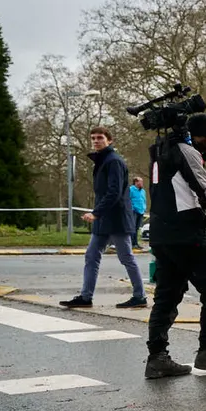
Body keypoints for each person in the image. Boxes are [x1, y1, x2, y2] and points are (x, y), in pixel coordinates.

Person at [143, 113, 206, 378]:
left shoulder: (160, 151)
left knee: (166, 296)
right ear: (200, 135)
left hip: (161, 232)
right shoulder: (186, 152)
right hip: (185, 234)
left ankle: (157, 358)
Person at [60, 127, 146, 310]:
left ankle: (140, 296)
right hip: (104, 220)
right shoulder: (103, 160)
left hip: (116, 219)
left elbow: (114, 192)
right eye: (93, 138)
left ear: (109, 141)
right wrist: (98, 213)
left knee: (126, 257)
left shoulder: (113, 161)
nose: (95, 141)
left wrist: (96, 212)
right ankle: (85, 297)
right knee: (91, 256)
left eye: (100, 138)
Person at [130, 176, 147, 249]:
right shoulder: (131, 189)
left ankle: (136, 243)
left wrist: (144, 207)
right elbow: (128, 199)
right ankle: (131, 243)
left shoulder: (143, 191)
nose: (142, 183)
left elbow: (144, 200)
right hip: (134, 211)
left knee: (137, 228)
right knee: (132, 227)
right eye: (140, 181)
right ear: (136, 182)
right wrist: (132, 208)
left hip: (141, 211)